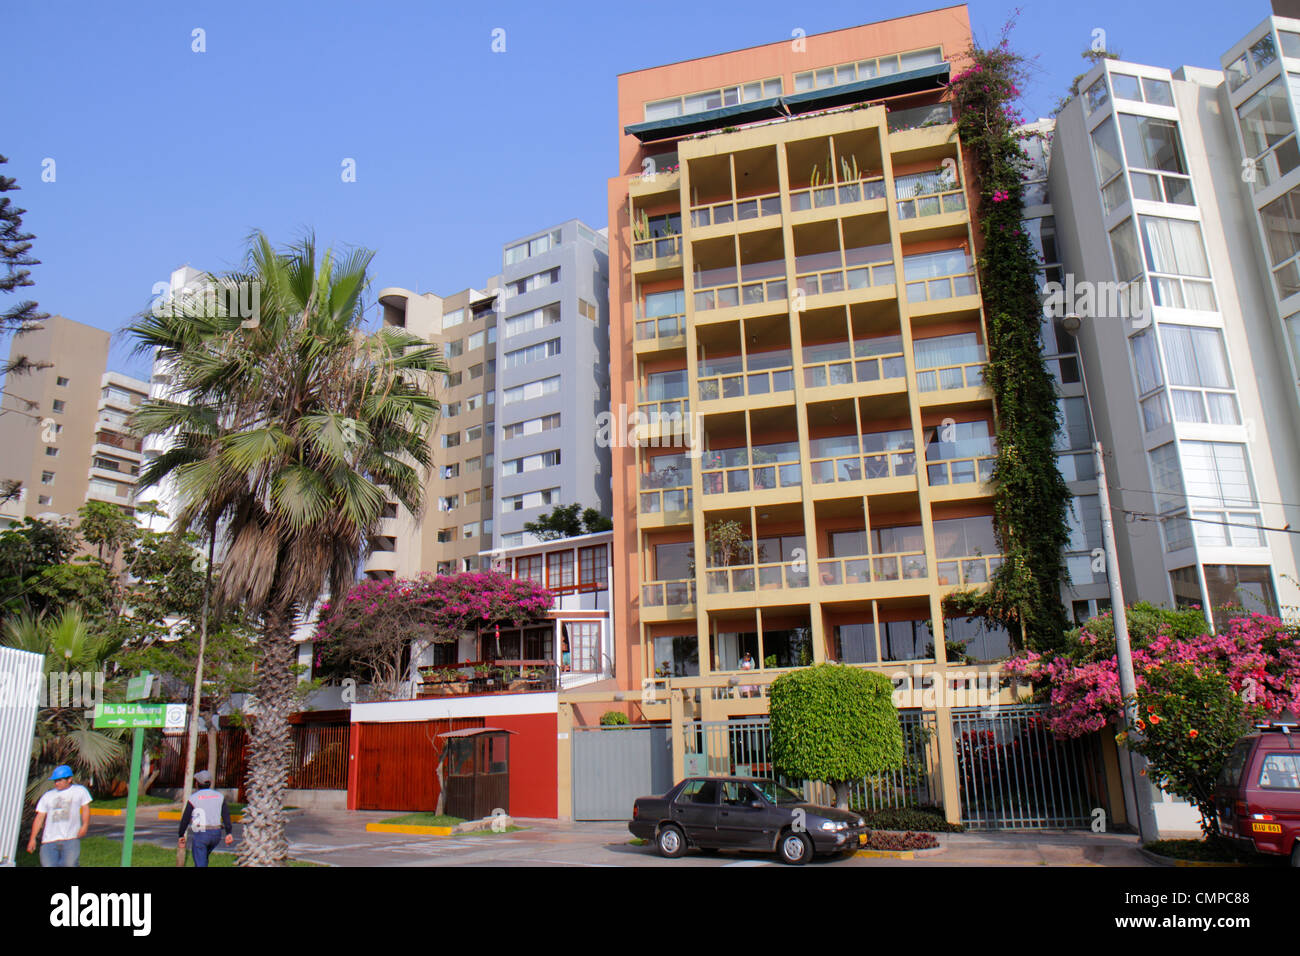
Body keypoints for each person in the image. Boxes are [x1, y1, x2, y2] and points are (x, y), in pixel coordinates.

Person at [27, 765, 92, 866]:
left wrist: (84, 826)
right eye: (55, 781)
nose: (57, 783)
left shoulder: (79, 791)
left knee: (70, 864)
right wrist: (32, 839)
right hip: (49, 840)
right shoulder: (47, 796)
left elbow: (85, 809)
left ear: (69, 779)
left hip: (71, 838)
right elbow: (40, 817)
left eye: (60, 780)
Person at [177, 770, 233, 867]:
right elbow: (226, 815)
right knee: (203, 858)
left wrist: (181, 834)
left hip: (201, 833)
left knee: (200, 861)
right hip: (216, 834)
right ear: (210, 783)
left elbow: (185, 818)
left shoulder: (194, 798)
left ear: (197, 783)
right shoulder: (219, 796)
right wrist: (228, 832)